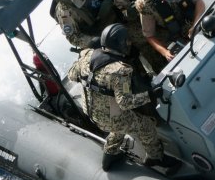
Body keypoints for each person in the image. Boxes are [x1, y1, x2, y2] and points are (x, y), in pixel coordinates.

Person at [66, 23, 177, 172]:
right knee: (146, 125)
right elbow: (125, 103)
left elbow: (71, 75)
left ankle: (110, 152)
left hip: (90, 110)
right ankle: (155, 157)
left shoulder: (87, 55)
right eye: (127, 41)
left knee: (120, 123)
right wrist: (150, 95)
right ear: (120, 44)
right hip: (109, 117)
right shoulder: (121, 70)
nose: (129, 43)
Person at [135, 0, 206, 65]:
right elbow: (149, 35)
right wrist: (165, 52)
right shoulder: (144, 2)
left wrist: (195, 25)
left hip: (192, 20)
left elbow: (199, 2)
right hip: (170, 31)